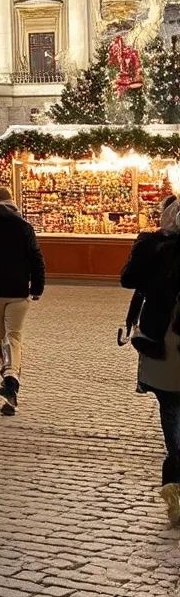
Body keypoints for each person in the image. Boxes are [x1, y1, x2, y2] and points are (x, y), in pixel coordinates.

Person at [120, 196, 180, 524]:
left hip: (162, 340)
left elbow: (130, 279)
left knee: (171, 410)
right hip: (166, 339)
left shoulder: (156, 249)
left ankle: (175, 485)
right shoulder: (159, 249)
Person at [0, 186, 45, 416]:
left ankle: (8, 378)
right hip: (18, 290)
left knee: (0, 338)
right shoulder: (24, 227)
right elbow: (36, 258)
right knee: (13, 337)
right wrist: (37, 288)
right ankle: (11, 379)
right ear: (12, 202)